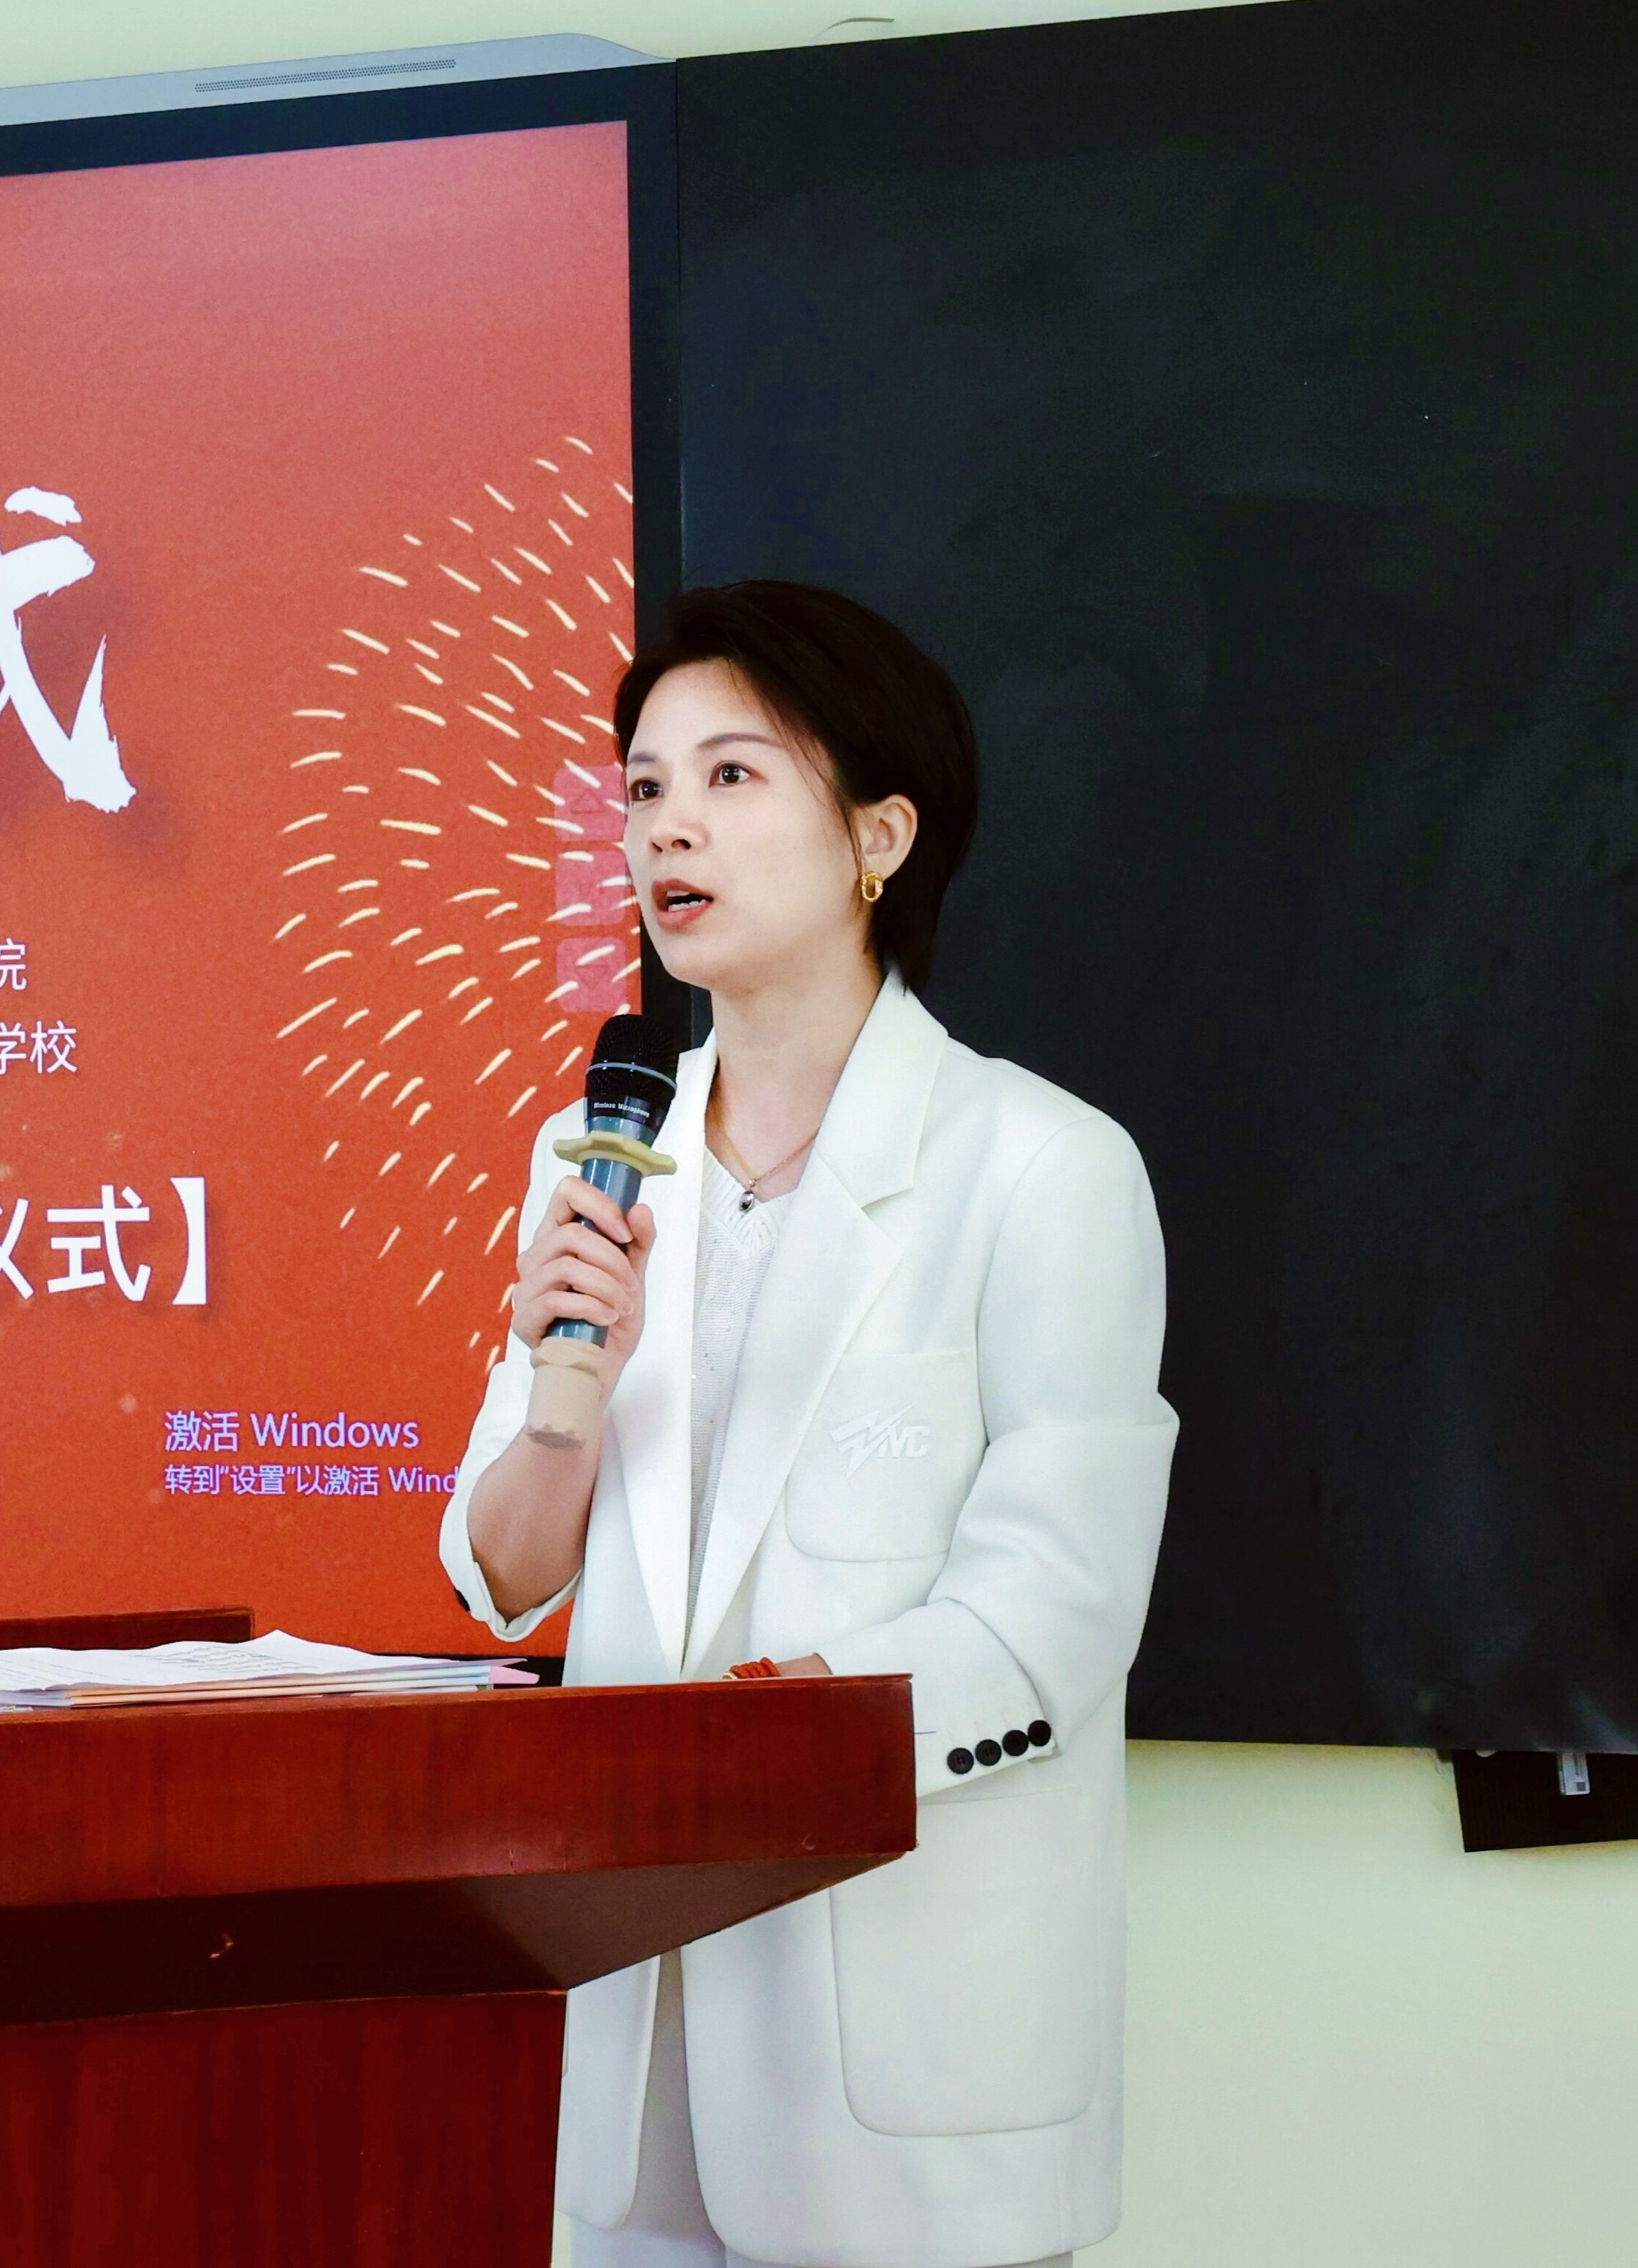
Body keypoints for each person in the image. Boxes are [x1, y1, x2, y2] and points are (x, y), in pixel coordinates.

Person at [440, 581, 1175, 2268]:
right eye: (642, 788)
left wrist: (732, 1756)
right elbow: (504, 1575)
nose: (666, 828)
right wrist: (561, 1412)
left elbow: (1052, 1616)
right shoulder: (596, 1156)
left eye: (730, 776)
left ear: (879, 839)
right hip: (634, 2068)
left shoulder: (1042, 1168)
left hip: (901, 2070)